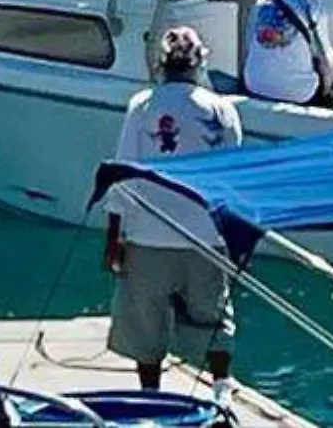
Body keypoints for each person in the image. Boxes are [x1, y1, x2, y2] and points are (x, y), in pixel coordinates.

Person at [105, 26, 244, 393]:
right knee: (212, 318)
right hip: (207, 237)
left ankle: (151, 399)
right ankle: (221, 389)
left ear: (161, 64)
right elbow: (233, 181)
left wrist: (113, 239)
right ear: (200, 62)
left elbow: (123, 176)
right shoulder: (223, 111)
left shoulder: (142, 106)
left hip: (148, 236)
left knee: (145, 324)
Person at [242, 0, 331, 104]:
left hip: (254, 85)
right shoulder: (312, 7)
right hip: (297, 93)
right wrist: (329, 88)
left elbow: (248, 41)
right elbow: (326, 59)